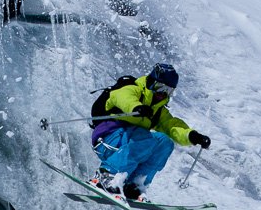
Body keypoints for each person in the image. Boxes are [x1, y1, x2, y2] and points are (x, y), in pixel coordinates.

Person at [90, 62, 211, 201]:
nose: (162, 93)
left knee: (165, 142)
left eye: (168, 90)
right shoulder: (133, 89)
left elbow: (171, 125)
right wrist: (137, 107)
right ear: (151, 82)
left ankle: (134, 185)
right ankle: (106, 176)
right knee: (144, 137)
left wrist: (192, 136)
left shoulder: (157, 109)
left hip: (128, 143)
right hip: (107, 139)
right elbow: (122, 97)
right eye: (160, 87)